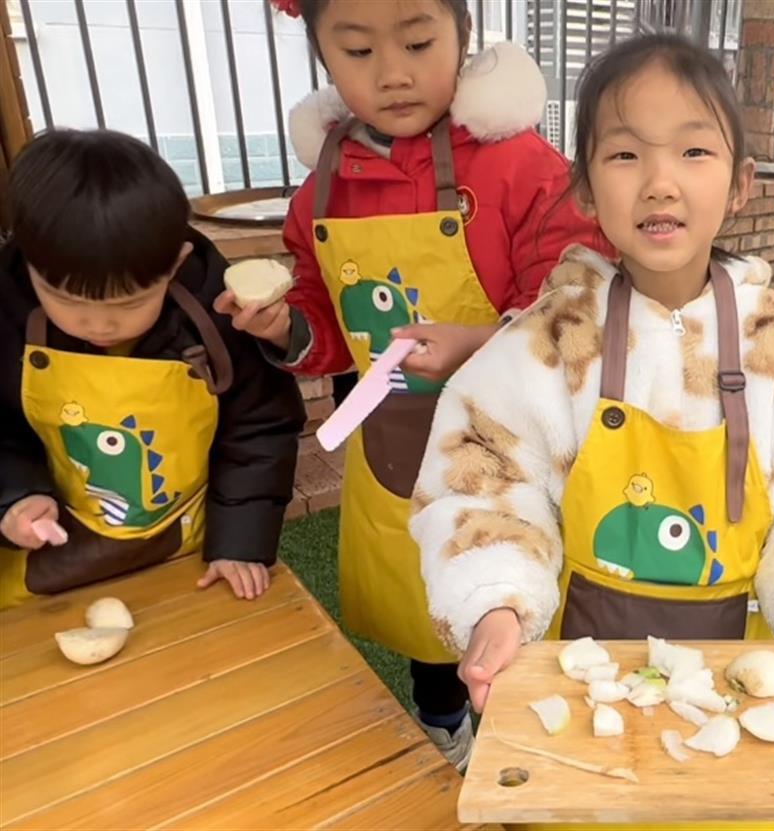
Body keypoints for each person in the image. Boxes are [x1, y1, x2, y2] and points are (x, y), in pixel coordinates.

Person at [412, 32, 774, 743]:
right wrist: (496, 603)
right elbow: (481, 481)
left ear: (740, 183)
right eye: (625, 154)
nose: (660, 182)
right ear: (585, 187)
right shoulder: (552, 340)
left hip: (737, 680)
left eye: (694, 151)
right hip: (580, 672)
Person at [218, 0, 603, 770]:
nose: (392, 74)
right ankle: (443, 726)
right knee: (424, 602)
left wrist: (478, 344)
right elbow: (325, 322)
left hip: (514, 448)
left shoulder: (522, 167)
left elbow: (572, 303)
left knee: (519, 591)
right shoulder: (322, 190)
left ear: (463, 35)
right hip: (394, 446)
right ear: (322, 55)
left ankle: (532, 735)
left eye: (419, 42)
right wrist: (286, 327)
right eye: (358, 51)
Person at [0, 129, 304, 609]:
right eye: (66, 300)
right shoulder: (7, 314)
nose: (98, 324)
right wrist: (15, 498)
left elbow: (259, 426)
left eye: (129, 304)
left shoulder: (212, 314)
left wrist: (240, 542)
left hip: (187, 553)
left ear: (175, 264)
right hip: (47, 564)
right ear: (30, 265)